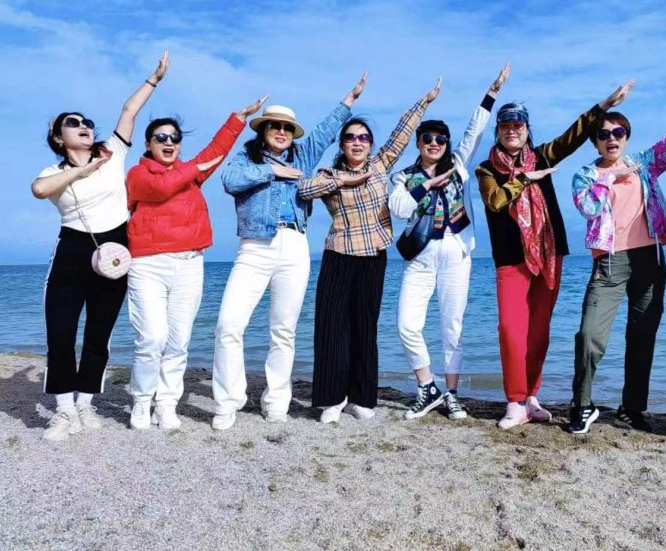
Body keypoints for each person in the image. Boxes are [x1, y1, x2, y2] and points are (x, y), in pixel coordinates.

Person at [211, 73, 367, 431]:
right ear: (263, 129)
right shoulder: (246, 159)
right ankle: (228, 401)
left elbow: (326, 131)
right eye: (275, 126)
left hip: (294, 245)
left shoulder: (303, 155)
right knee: (228, 325)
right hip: (255, 246)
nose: (282, 132)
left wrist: (349, 100)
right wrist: (272, 171)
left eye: (287, 128)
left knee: (283, 330)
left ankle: (276, 401)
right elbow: (229, 181)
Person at [477, 80, 634, 430]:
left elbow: (573, 136)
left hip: (550, 255)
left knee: (539, 332)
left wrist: (605, 105)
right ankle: (515, 400)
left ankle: (531, 397)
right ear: (498, 131)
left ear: (527, 129)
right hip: (511, 259)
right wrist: (526, 178)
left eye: (518, 124)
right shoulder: (486, 169)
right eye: (505, 125)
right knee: (511, 330)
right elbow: (495, 201)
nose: (512, 130)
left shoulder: (543, 155)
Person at [31, 52, 169, 441]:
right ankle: (63, 411)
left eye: (87, 123)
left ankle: (85, 403)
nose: (84, 127)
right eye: (73, 124)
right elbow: (39, 190)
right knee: (61, 334)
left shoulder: (112, 152)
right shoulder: (54, 172)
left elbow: (129, 110)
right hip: (72, 250)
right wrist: (83, 170)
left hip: (116, 249)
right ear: (58, 138)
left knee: (98, 334)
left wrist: (154, 79)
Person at [300, 79, 442, 423]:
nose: (357, 142)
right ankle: (333, 398)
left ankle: (361, 397)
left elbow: (400, 136)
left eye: (364, 137)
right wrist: (343, 180)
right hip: (338, 256)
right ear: (342, 144)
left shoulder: (380, 165)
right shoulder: (329, 174)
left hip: (373, 258)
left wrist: (423, 102)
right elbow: (304, 190)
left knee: (365, 327)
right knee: (332, 327)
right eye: (351, 137)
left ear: (370, 144)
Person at [125, 96, 266, 430]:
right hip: (148, 266)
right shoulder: (138, 174)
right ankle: (141, 401)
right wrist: (196, 168)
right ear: (148, 144)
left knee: (178, 341)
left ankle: (166, 404)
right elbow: (162, 187)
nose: (169, 143)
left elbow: (216, 151)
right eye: (161, 137)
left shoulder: (190, 173)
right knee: (152, 338)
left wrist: (238, 118)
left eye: (175, 138)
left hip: (189, 263)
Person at [567, 106, 666, 434]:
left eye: (618, 132)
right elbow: (588, 207)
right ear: (595, 142)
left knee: (642, 336)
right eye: (603, 134)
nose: (611, 139)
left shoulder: (643, 164)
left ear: (626, 136)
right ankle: (582, 404)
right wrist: (609, 179)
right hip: (610, 262)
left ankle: (632, 408)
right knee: (589, 335)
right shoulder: (586, 175)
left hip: (649, 258)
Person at [389, 65, 510, 421]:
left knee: (451, 327)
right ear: (418, 143)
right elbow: (399, 209)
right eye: (428, 138)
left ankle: (452, 394)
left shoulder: (458, 164)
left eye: (440, 139)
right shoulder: (403, 176)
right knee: (407, 324)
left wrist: (492, 93)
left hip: (456, 253)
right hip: (420, 257)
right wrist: (426, 185)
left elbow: (475, 130)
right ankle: (427, 387)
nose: (434, 144)